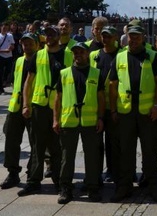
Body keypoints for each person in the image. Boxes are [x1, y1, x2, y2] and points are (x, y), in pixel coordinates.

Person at [108, 23, 157, 202]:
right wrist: (113, 109)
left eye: (137, 37)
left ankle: (153, 185)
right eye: (131, 37)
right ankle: (124, 187)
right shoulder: (119, 57)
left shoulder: (152, 56)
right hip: (126, 113)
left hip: (147, 113)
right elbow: (113, 85)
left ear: (143, 38)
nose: (133, 40)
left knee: (149, 151)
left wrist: (156, 106)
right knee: (126, 152)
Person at [19, 25, 73, 196]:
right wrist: (26, 104)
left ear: (58, 36)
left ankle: (59, 180)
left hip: (59, 105)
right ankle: (33, 181)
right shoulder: (38, 54)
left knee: (57, 146)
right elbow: (28, 81)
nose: (49, 37)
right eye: (47, 34)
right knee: (37, 145)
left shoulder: (67, 55)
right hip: (40, 106)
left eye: (52, 34)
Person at [53, 42, 105, 204]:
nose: (78, 55)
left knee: (92, 157)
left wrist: (100, 118)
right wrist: (56, 119)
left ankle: (92, 187)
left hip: (90, 122)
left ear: (87, 54)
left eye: (81, 52)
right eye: (76, 53)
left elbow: (101, 98)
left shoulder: (96, 73)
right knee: (67, 157)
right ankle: (65, 188)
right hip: (69, 120)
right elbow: (58, 99)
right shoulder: (64, 73)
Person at [0, 33, 39, 190]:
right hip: (16, 106)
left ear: (36, 44)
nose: (27, 47)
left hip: (34, 106)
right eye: (24, 44)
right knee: (11, 139)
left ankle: (32, 174)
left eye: (30, 43)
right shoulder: (19, 61)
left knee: (35, 143)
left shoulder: (41, 60)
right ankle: (13, 172)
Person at [90, 25, 120, 184]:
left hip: (115, 106)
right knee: (96, 144)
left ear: (116, 37)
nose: (106, 39)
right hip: (96, 106)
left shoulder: (122, 55)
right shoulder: (94, 55)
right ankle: (95, 173)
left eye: (109, 36)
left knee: (113, 142)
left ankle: (112, 170)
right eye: (104, 36)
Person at [0, 23, 15, 95]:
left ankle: (4, 80)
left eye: (6, 28)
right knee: (0, 72)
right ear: (1, 28)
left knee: (9, 69)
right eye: (3, 28)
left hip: (9, 56)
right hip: (0, 56)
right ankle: (1, 89)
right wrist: (3, 51)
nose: (5, 29)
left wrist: (10, 48)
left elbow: (12, 44)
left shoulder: (10, 35)